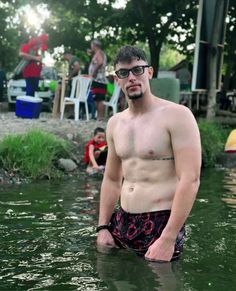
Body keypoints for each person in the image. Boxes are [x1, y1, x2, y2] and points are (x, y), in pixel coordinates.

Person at [96, 46, 201, 262]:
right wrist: (102, 226)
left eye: (138, 70)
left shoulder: (177, 116)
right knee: (118, 281)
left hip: (161, 223)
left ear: (150, 72)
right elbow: (112, 178)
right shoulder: (115, 123)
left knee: (162, 281)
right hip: (121, 221)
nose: (131, 78)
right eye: (124, 73)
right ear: (118, 80)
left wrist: (168, 238)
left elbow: (190, 179)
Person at [89, 39, 107, 120]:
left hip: (99, 80)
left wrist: (94, 71)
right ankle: (99, 117)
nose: (91, 47)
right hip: (100, 80)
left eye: (91, 45)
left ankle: (100, 117)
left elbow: (100, 62)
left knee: (99, 99)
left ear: (94, 45)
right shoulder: (100, 53)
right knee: (98, 99)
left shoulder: (99, 53)